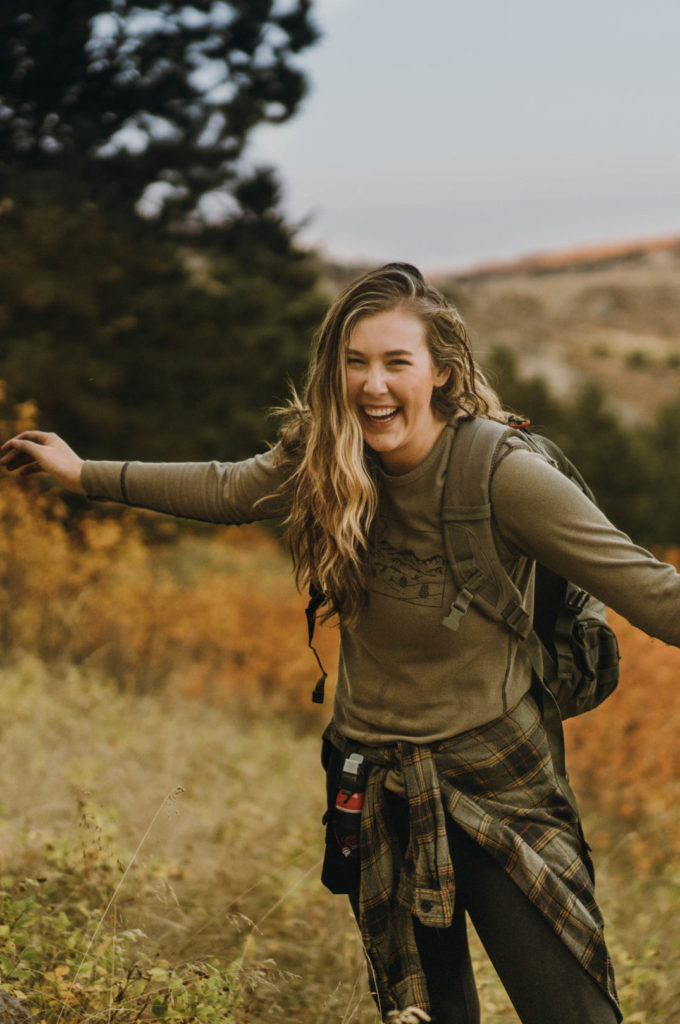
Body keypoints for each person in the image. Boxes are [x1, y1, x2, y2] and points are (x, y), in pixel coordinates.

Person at [3, 262, 680, 1024]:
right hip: (377, 783)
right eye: (355, 362)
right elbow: (225, 489)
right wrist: (83, 474)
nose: (372, 385)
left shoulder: (503, 476)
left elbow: (652, 591)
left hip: (497, 777)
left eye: (396, 362)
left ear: (441, 372)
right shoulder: (328, 460)